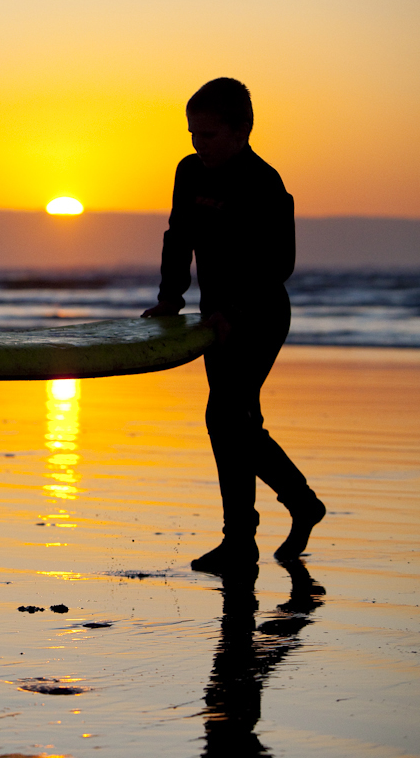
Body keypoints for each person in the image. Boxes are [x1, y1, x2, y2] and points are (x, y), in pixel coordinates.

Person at [142, 77, 326, 576]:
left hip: (259, 316)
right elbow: (179, 235)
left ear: (242, 131)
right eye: (192, 134)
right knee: (238, 422)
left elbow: (279, 265)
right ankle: (255, 534)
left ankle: (270, 522)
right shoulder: (189, 172)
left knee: (225, 418)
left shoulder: (264, 184)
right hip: (214, 319)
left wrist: (235, 311)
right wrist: (170, 297)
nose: (199, 145)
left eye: (209, 135)